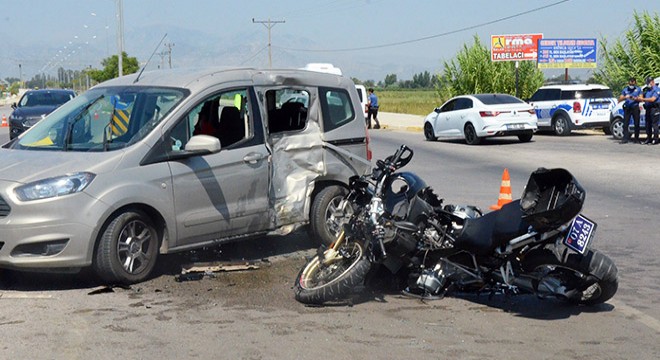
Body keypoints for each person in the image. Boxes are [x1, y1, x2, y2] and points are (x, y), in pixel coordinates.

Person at [618, 77, 642, 144]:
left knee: (636, 123)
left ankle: (636, 139)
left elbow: (641, 98)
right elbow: (619, 99)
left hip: (635, 107)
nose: (631, 84)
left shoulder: (638, 89)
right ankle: (625, 138)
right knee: (625, 123)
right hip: (627, 108)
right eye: (630, 83)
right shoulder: (625, 90)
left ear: (635, 83)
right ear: (628, 82)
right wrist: (625, 97)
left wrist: (635, 98)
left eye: (633, 83)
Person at [637, 77, 660, 145]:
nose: (647, 84)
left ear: (652, 81)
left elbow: (653, 99)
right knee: (647, 124)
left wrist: (643, 99)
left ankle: (656, 139)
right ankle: (649, 138)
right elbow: (643, 96)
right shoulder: (648, 90)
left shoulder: (657, 89)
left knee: (654, 125)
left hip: (655, 108)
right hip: (648, 108)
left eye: (648, 82)